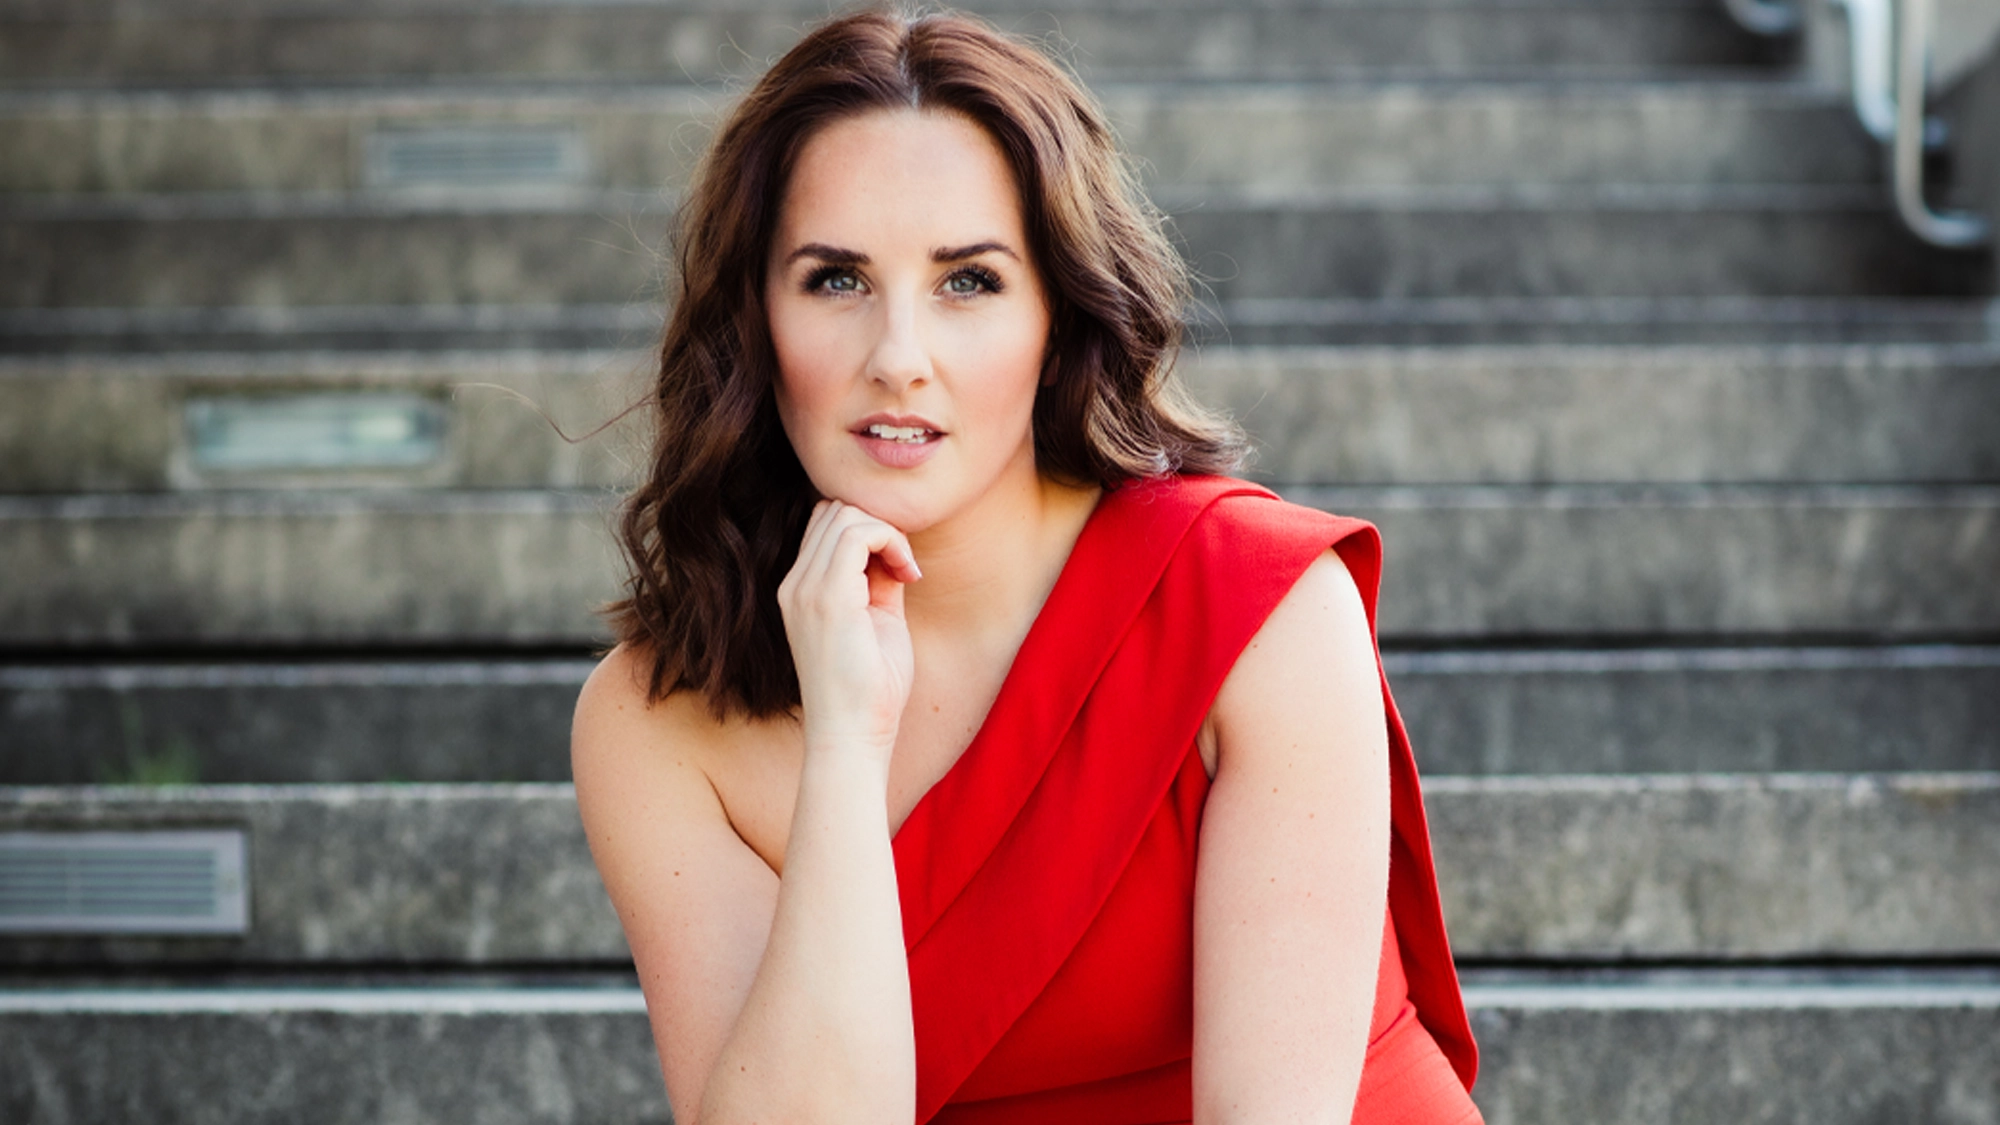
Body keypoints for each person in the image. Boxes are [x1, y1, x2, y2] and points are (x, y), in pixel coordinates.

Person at [570, 8, 1482, 1123]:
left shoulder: (1257, 604)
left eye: (968, 282)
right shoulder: (655, 719)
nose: (897, 359)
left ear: (1057, 314)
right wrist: (845, 758)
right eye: (834, 281)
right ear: (755, 318)